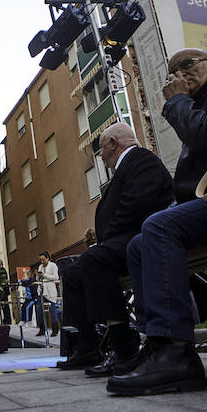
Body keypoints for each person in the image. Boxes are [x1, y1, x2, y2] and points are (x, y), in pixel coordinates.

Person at [106, 47, 207, 393]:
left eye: (186, 65)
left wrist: (177, 101)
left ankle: (178, 353)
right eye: (173, 71)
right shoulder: (197, 104)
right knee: (139, 244)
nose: (179, 75)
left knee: (158, 226)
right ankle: (159, 344)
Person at [57, 122, 173, 372]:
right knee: (73, 273)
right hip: (123, 241)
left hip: (141, 238)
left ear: (113, 143)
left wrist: (107, 239)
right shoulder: (127, 167)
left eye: (101, 149)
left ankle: (124, 348)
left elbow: (137, 205)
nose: (101, 156)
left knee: (94, 259)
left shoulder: (140, 159)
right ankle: (87, 347)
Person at [36, 251, 60, 337]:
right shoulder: (40, 266)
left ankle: (55, 330)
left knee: (52, 310)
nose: (42, 262)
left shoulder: (53, 265)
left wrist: (44, 275)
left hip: (50, 290)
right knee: (39, 310)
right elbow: (38, 278)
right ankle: (42, 329)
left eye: (43, 260)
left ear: (47, 258)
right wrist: (38, 275)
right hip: (42, 290)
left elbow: (56, 277)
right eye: (40, 260)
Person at [0, 259, 12, 325]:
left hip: (3, 291)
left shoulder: (2, 270)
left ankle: (7, 320)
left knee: (5, 306)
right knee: (0, 306)